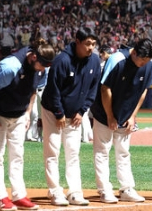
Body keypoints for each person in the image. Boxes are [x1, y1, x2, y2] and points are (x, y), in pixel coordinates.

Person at [0, 39, 55, 211]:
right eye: (42, 65)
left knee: (17, 155)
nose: (44, 69)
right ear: (33, 57)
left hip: (18, 115)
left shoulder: (42, 69)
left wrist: (27, 112)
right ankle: (1, 197)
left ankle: (19, 195)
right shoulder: (11, 66)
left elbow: (34, 90)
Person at [90, 38, 152, 204]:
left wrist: (133, 115)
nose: (143, 64)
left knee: (124, 152)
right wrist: (110, 116)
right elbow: (105, 88)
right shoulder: (117, 59)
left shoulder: (148, 65)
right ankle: (104, 190)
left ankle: (127, 188)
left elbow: (144, 90)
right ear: (133, 53)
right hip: (103, 113)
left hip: (126, 115)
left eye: (147, 61)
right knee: (102, 152)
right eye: (141, 60)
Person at [41, 27, 102, 206]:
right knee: (52, 152)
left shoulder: (94, 61)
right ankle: (54, 191)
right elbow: (53, 89)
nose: (91, 48)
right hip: (53, 112)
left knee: (73, 152)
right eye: (87, 44)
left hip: (75, 114)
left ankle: (74, 192)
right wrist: (59, 113)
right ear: (77, 42)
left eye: (93, 44)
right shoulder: (62, 60)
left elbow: (93, 89)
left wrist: (82, 111)